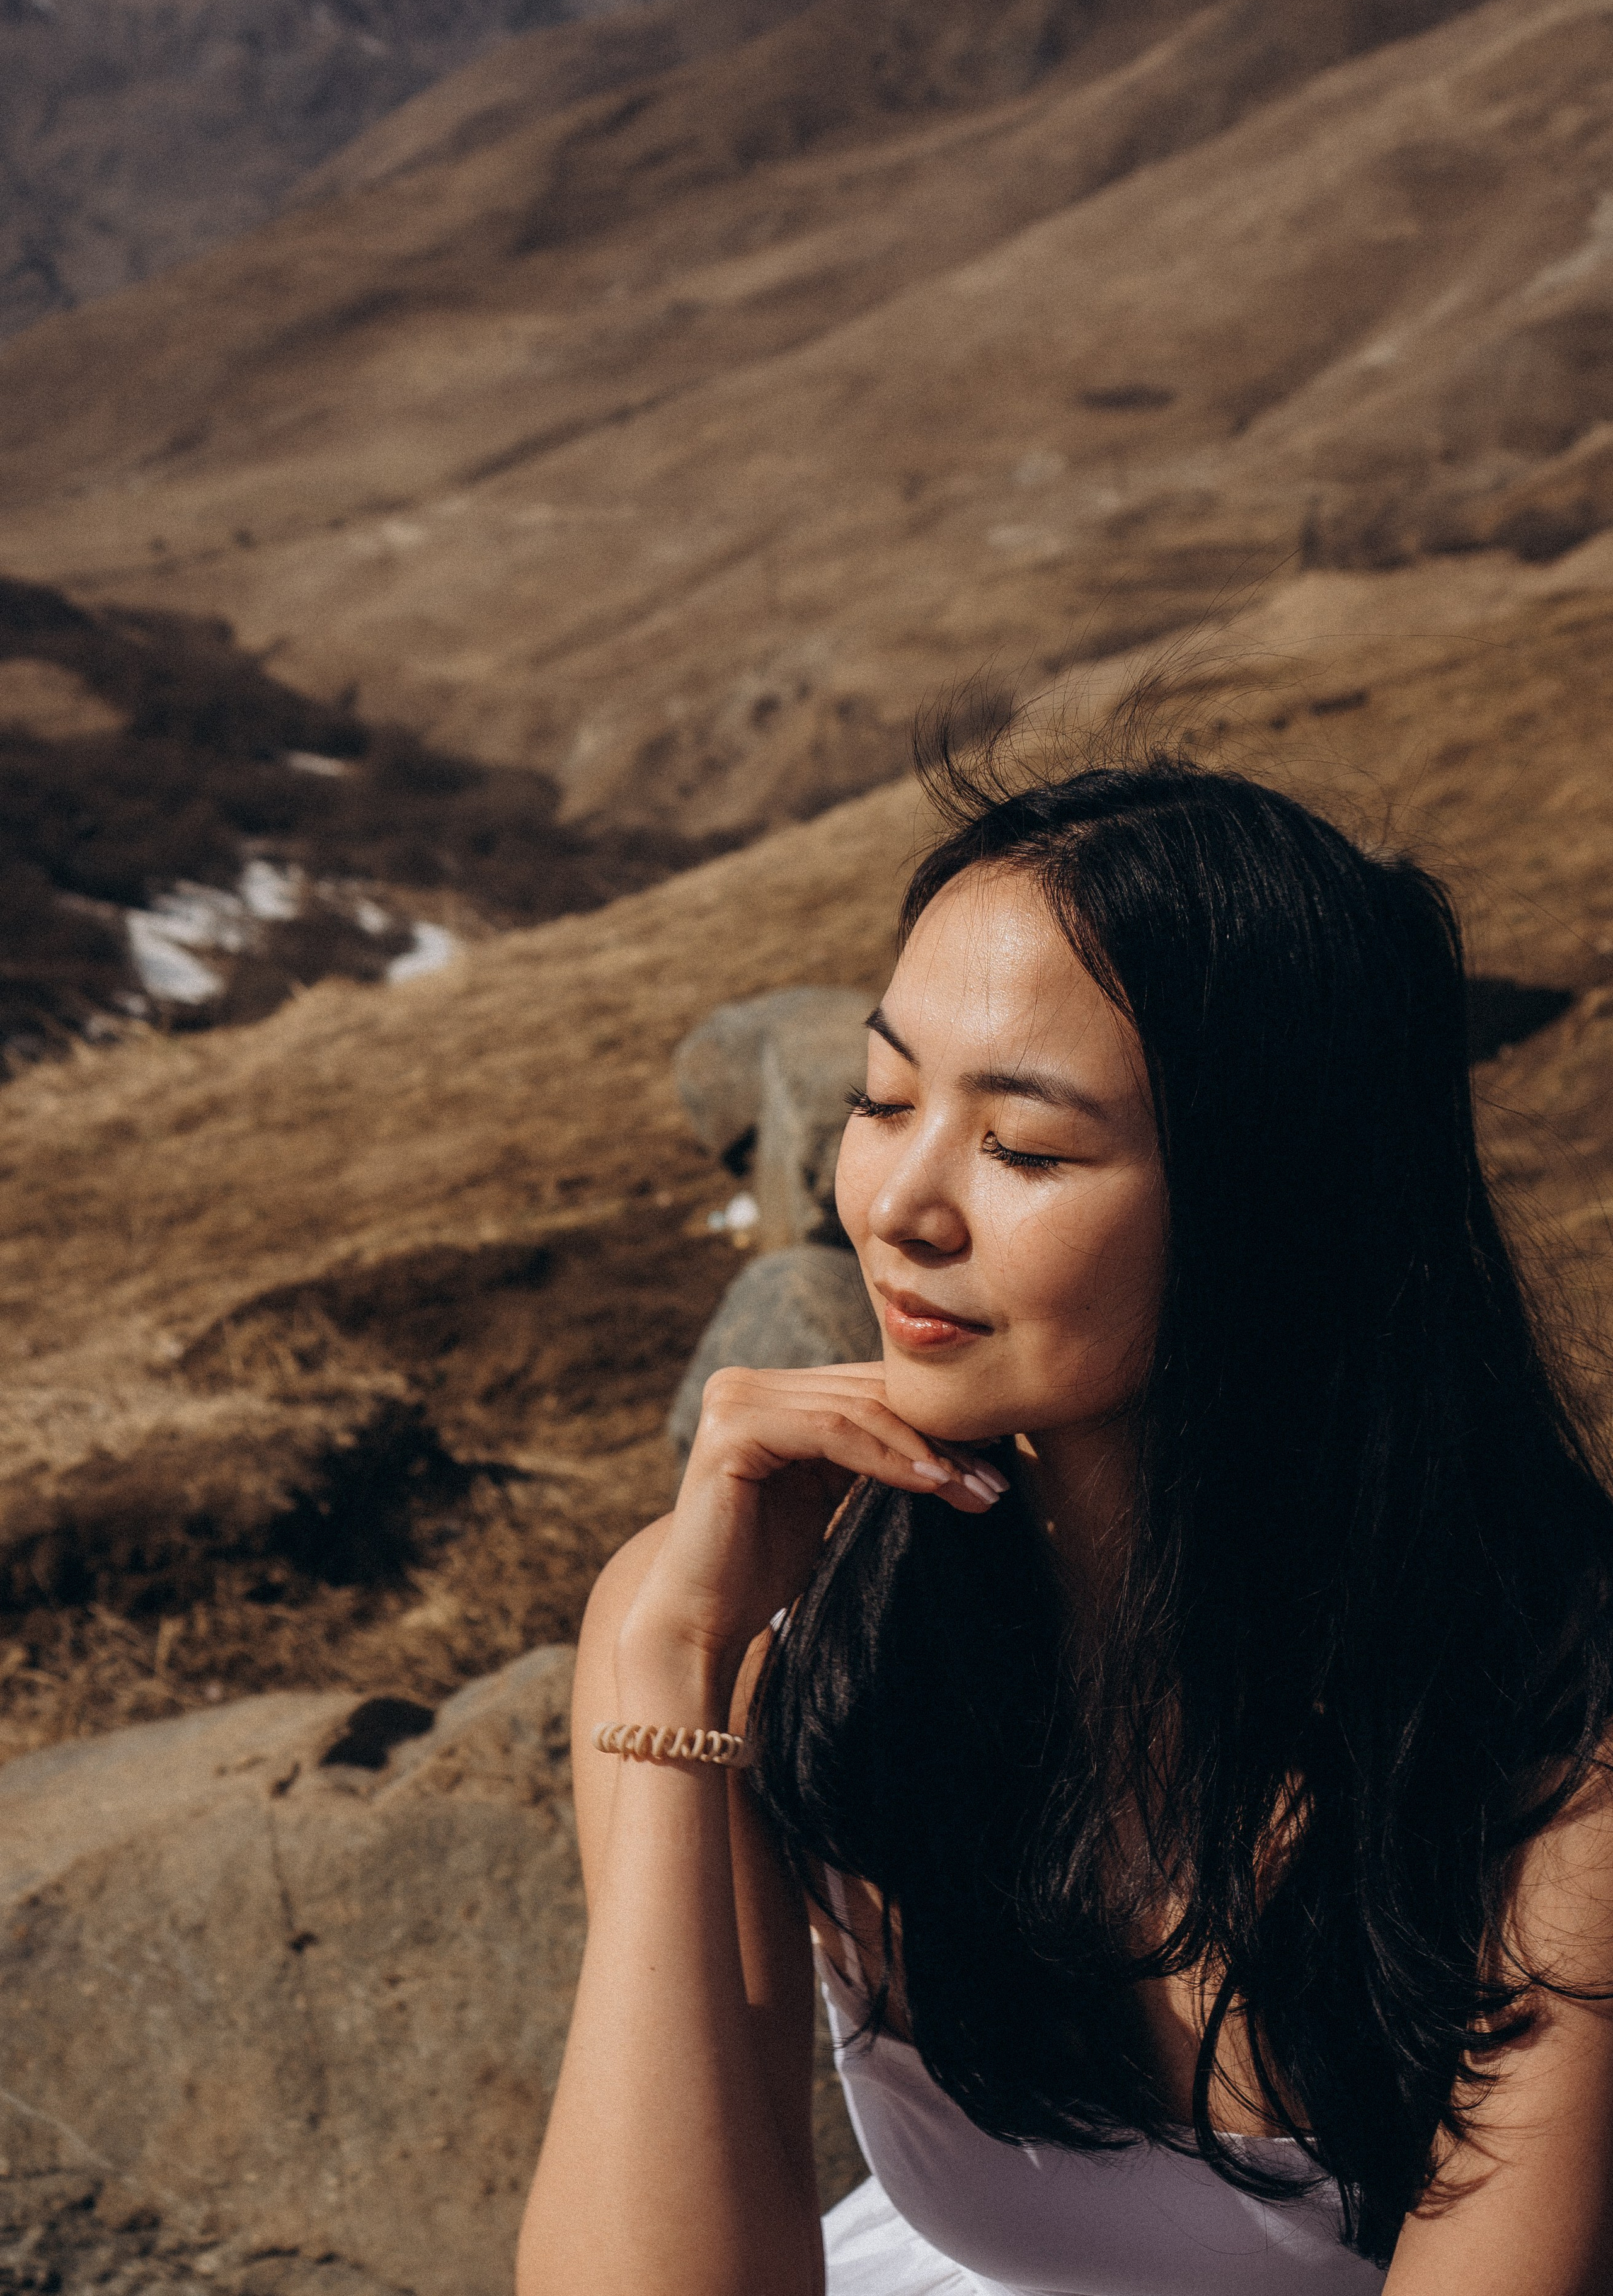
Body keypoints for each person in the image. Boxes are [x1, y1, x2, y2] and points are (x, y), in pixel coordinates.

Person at [517, 742, 1613, 2296]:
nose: (897, 1205)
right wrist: (672, 1674)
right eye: (880, 1100)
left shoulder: (1545, 1742)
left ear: (1270, 1209)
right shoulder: (756, 1633)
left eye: (1023, 1146)